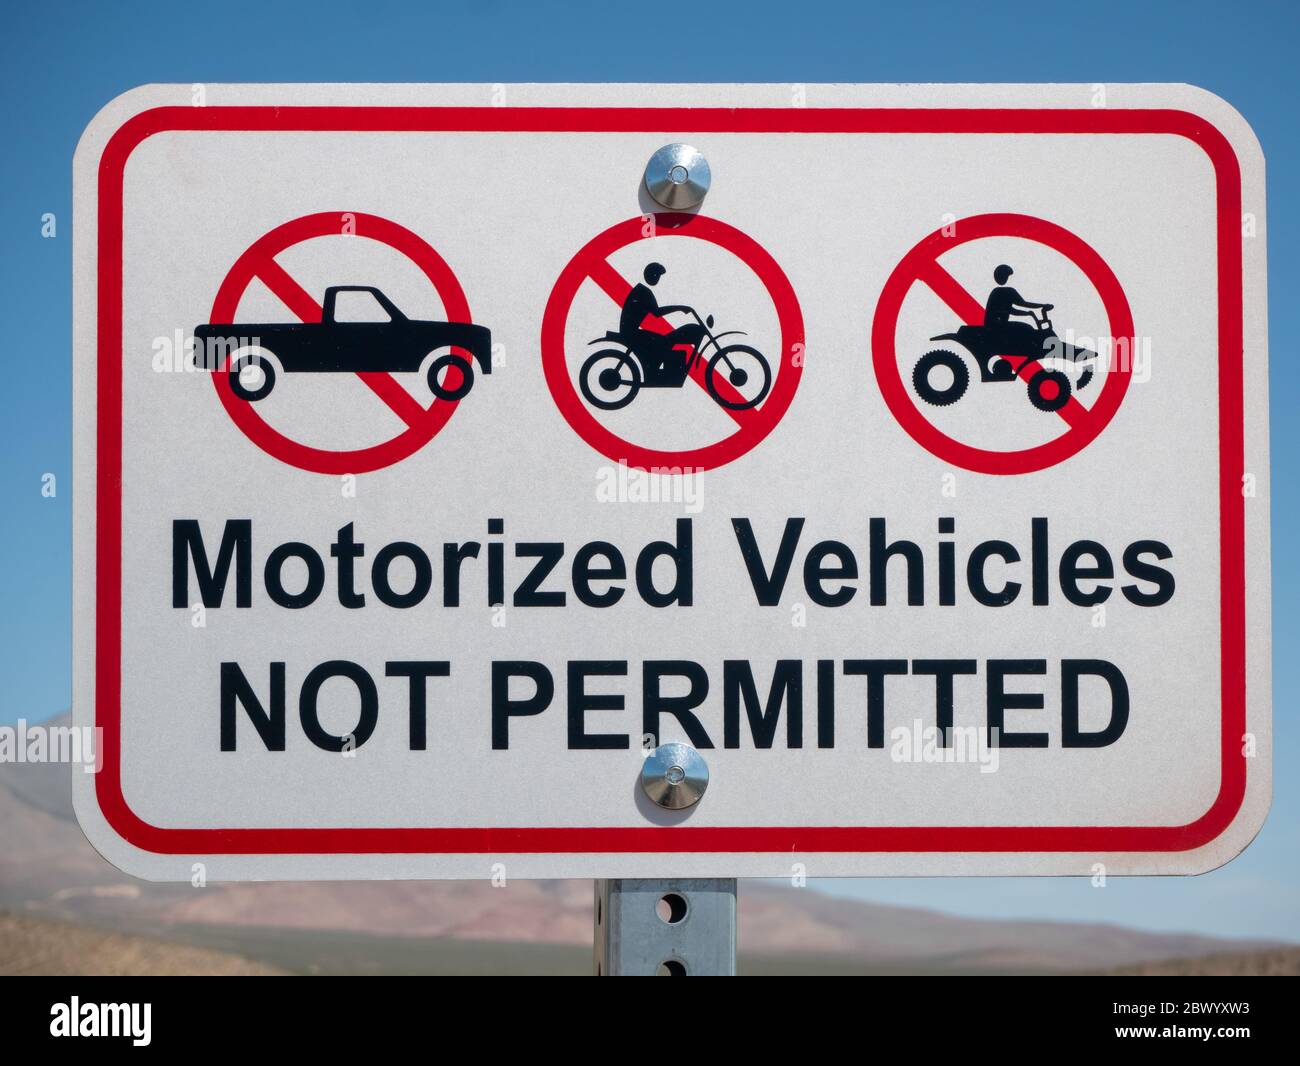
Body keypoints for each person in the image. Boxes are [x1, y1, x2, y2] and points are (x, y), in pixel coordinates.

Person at [619, 263, 705, 381]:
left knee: (663, 340)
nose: (658, 279)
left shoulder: (641, 289)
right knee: (663, 341)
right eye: (657, 276)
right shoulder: (644, 292)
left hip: (630, 331)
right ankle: (653, 372)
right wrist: (680, 307)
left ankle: (654, 369)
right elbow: (657, 313)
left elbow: (655, 312)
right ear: (651, 275)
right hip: (631, 332)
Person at [983, 264, 1052, 352]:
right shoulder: (1007, 291)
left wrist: (1028, 313)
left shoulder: (997, 291)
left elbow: (1010, 310)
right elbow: (1023, 304)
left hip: (994, 325)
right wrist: (1042, 305)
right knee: (1026, 329)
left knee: (1026, 328)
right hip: (997, 326)